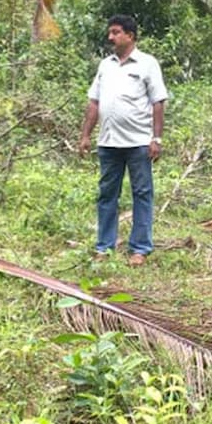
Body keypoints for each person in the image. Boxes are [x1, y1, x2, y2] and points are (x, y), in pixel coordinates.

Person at [79, 14, 167, 267]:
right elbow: (94, 102)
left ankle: (139, 248)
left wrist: (156, 138)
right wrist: (85, 135)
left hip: (138, 142)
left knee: (142, 194)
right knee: (107, 194)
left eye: (116, 32)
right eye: (110, 32)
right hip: (108, 143)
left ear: (130, 35)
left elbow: (158, 102)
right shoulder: (105, 65)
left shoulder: (147, 64)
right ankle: (104, 246)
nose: (111, 37)